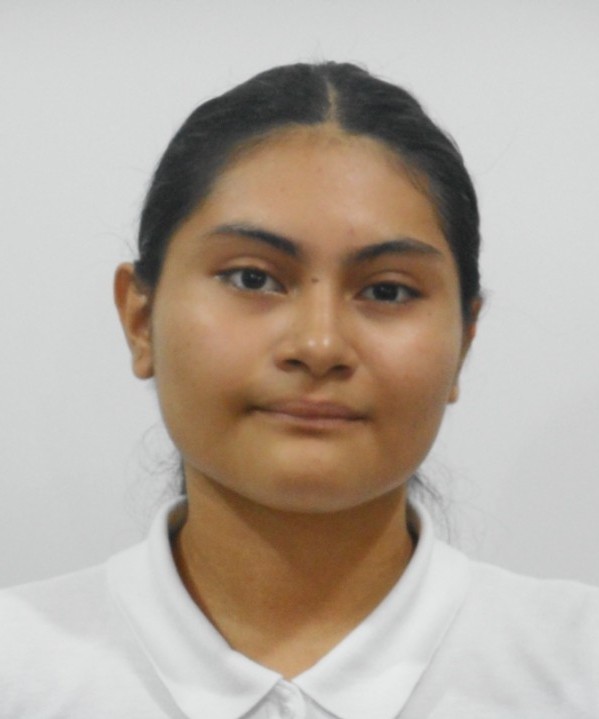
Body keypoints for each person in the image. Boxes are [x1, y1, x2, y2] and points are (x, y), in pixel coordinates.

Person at [1, 61, 597, 718]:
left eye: (387, 290)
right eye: (252, 279)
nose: (319, 346)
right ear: (140, 320)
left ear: (464, 341)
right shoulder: (20, 667)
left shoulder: (577, 668)